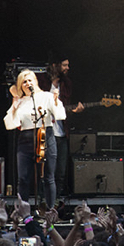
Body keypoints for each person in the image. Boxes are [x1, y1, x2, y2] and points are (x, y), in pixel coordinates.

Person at [4, 69, 66, 208]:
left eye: (30, 80)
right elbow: (10, 124)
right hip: (25, 138)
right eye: (24, 82)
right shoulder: (20, 101)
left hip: (45, 135)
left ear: (35, 82)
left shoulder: (46, 96)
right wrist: (14, 106)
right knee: (23, 179)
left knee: (48, 176)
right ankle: (23, 212)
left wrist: (56, 102)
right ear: (20, 85)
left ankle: (50, 211)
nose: (27, 83)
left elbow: (60, 115)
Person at [38, 57, 84, 200]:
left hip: (61, 133)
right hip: (45, 132)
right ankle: (42, 204)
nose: (67, 68)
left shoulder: (67, 84)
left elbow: (64, 109)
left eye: (68, 65)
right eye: (64, 65)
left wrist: (74, 110)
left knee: (60, 173)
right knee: (44, 172)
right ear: (55, 65)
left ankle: (54, 204)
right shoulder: (41, 81)